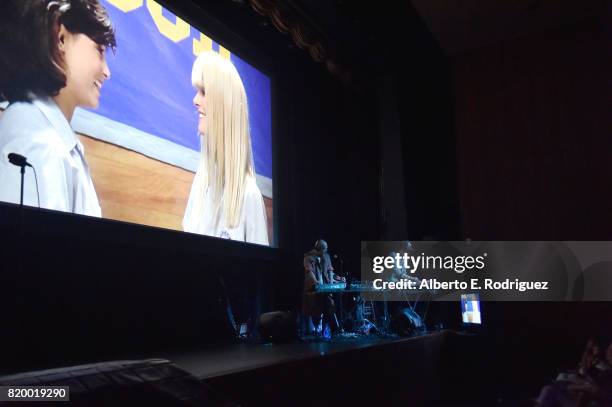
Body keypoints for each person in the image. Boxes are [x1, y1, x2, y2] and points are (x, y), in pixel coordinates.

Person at [0, 0, 116, 216]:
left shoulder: (50, 136)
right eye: (99, 50)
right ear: (61, 37)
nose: (106, 71)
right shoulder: (34, 137)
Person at [182, 51, 268, 245]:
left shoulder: (249, 196)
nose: (195, 100)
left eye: (204, 92)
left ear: (224, 104)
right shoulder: (201, 183)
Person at [535, 336, 612, 407]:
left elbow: (596, 391)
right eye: (608, 350)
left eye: (610, 351)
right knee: (550, 389)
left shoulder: (604, 370)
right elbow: (584, 373)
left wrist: (578, 387)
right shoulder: (601, 368)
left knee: (549, 390)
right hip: (580, 396)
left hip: (588, 401)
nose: (607, 352)